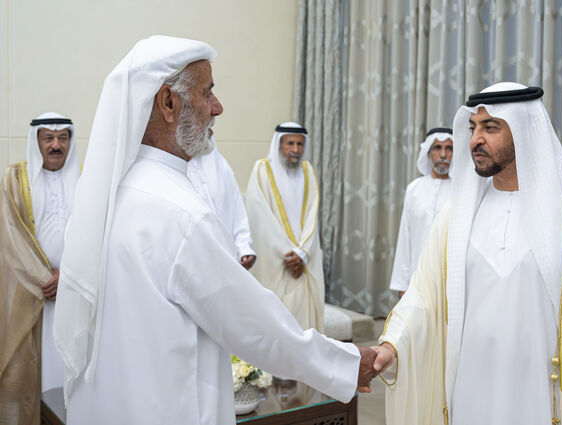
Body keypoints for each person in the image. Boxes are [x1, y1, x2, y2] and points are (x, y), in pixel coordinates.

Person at [52, 36, 376, 425]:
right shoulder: (182, 213)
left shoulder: (105, 197)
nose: (218, 107)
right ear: (169, 103)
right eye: (207, 93)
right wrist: (347, 364)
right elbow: (253, 326)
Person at [371, 83, 562, 425]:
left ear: (525, 131)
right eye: (473, 128)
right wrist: (391, 346)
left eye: (490, 128)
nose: (475, 140)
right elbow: (424, 296)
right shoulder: (457, 215)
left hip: (544, 396)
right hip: (470, 390)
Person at [0, 112, 77, 424]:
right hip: (32, 294)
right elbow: (10, 237)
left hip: (73, 295)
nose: (56, 145)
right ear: (36, 141)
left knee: (69, 380)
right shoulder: (14, 180)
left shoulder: (85, 181)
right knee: (31, 379)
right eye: (48, 138)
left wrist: (68, 276)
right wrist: (45, 279)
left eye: (62, 138)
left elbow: (98, 238)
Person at [245, 123, 324, 331]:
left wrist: (303, 252)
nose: (295, 149)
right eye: (290, 143)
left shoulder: (308, 171)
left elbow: (313, 215)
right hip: (276, 260)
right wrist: (288, 253)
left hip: (303, 259)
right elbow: (260, 216)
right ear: (279, 144)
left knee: (304, 327)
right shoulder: (262, 170)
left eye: (300, 144)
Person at [390, 127, 453, 298]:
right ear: (428, 153)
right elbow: (405, 239)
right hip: (417, 281)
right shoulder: (414, 189)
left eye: (449, 148)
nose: (443, 154)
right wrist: (402, 285)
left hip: (450, 283)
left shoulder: (461, 191)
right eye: (437, 148)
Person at [188, 139, 256, 268]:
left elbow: (237, 211)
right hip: (194, 257)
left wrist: (244, 248)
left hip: (226, 255)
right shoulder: (179, 168)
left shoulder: (221, 167)